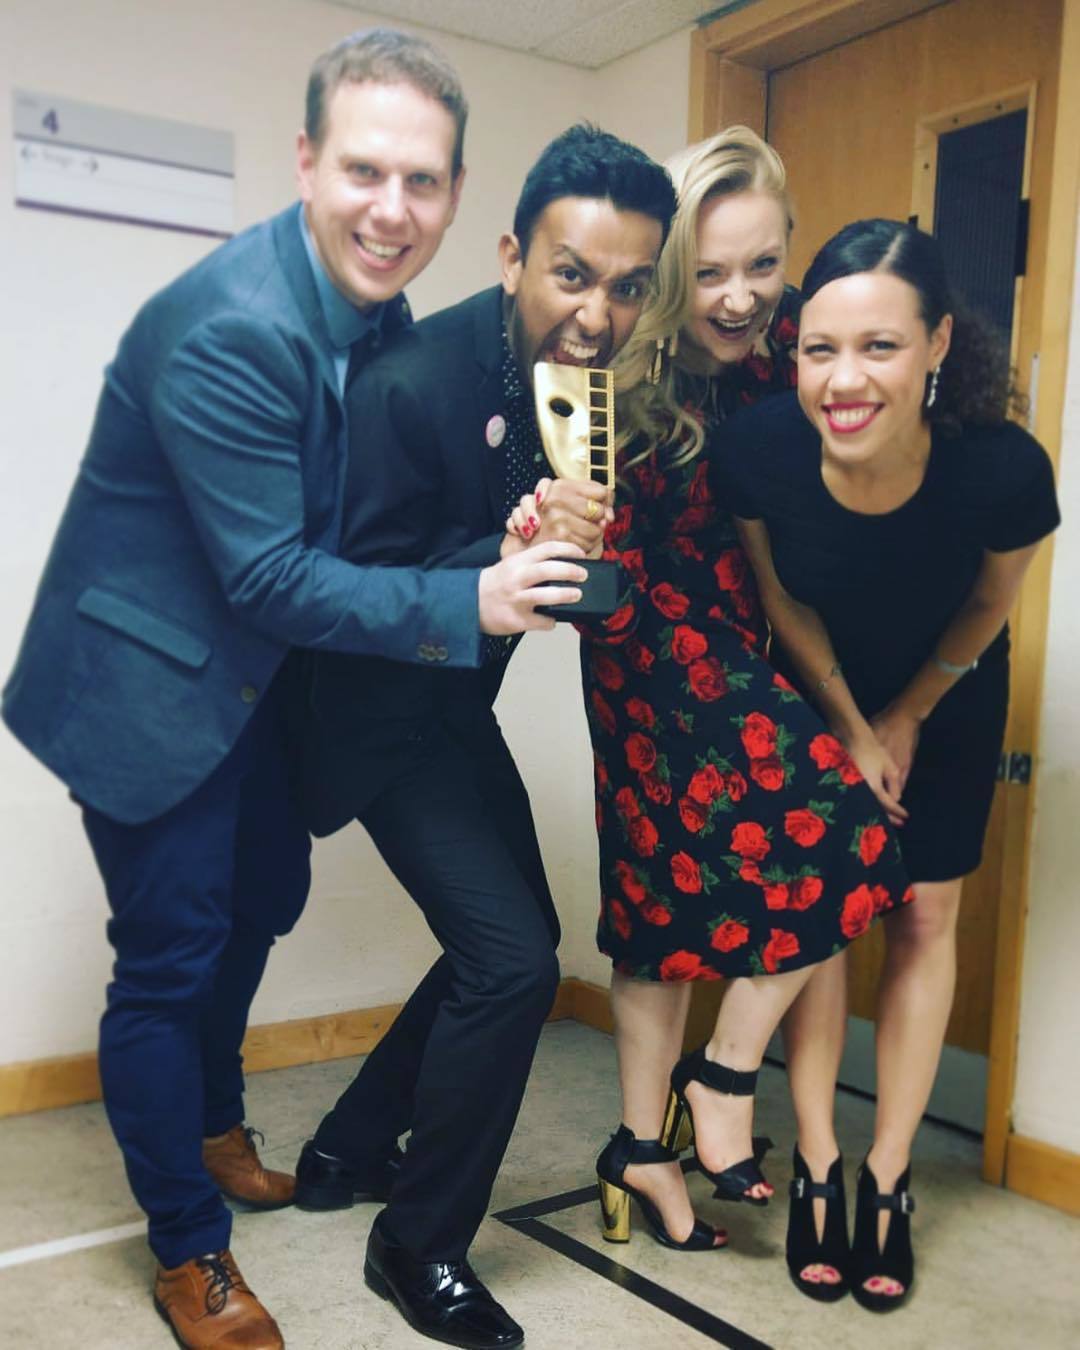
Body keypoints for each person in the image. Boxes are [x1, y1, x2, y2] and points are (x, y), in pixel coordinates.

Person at [0, 30, 585, 1350]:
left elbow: (358, 524)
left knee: (262, 899)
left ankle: (213, 1125)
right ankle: (188, 1248)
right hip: (149, 683)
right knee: (170, 961)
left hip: (264, 683)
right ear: (309, 161)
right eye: (366, 170)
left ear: (455, 192)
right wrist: (470, 597)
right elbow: (271, 573)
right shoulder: (231, 327)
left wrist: (494, 540)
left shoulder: (377, 319)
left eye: (423, 180)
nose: (393, 208)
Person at [289, 125, 676, 1350]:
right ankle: (417, 1241)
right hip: (366, 709)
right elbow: (341, 597)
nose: (598, 314)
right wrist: (501, 560)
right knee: (512, 965)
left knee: (515, 944)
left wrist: (577, 559)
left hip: (451, 705)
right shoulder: (409, 383)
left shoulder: (578, 391)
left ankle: (348, 1147)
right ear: (513, 256)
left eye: (628, 286)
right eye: (572, 275)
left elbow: (551, 582)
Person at [508, 128, 910, 1265]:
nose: (740, 298)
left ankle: (676, 1118)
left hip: (758, 643)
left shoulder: (794, 346)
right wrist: (560, 541)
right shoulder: (609, 373)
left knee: (826, 852)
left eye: (764, 265)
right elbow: (583, 577)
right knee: (663, 915)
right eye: (711, 271)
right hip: (647, 658)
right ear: (672, 265)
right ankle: (688, 1111)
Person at [717, 218, 1060, 1310]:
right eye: (821, 349)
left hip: (948, 692)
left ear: (938, 344)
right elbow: (781, 595)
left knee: (921, 918)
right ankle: (819, 1161)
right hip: (818, 688)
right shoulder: (759, 449)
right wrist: (854, 727)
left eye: (881, 346)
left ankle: (889, 1175)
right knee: (822, 921)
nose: (845, 380)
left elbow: (991, 605)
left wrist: (907, 716)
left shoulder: (1003, 470)